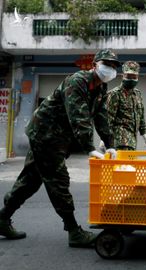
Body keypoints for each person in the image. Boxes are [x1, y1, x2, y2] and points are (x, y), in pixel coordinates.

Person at [0, 49, 120, 248]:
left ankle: (3, 219)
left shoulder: (100, 89)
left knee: (30, 180)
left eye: (114, 66)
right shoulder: (77, 82)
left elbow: (101, 117)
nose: (110, 69)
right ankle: (73, 230)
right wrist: (88, 147)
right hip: (46, 136)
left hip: (56, 138)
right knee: (59, 181)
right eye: (107, 64)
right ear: (95, 65)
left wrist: (110, 145)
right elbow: (78, 115)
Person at [106, 61, 146, 150]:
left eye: (134, 77)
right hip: (120, 140)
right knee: (123, 163)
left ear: (137, 77)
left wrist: (143, 132)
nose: (131, 79)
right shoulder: (115, 94)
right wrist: (105, 138)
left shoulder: (137, 94)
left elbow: (141, 114)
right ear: (123, 76)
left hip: (132, 139)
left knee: (128, 163)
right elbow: (109, 117)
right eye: (128, 76)